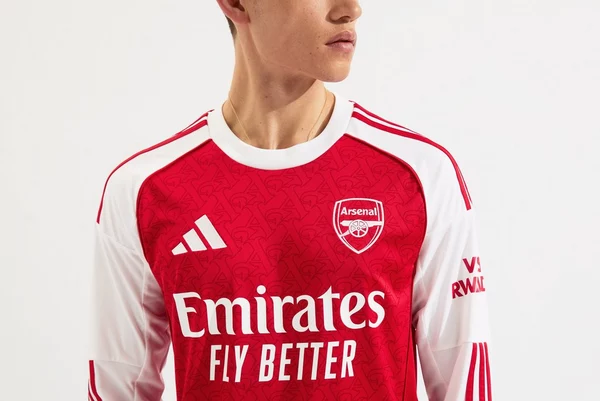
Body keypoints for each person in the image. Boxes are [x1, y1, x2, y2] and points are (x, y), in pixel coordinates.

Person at [87, 0, 493, 400]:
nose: (351, 9)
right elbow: (116, 387)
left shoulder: (418, 176)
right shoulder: (145, 190)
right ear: (235, 3)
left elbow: (464, 381)